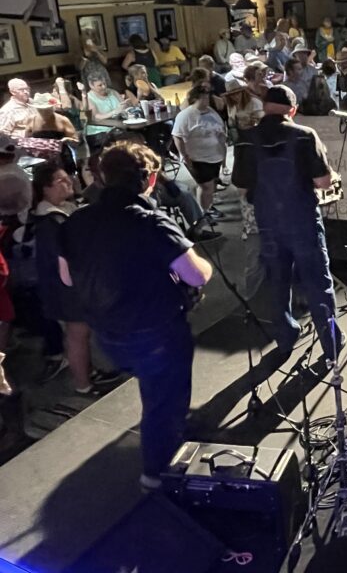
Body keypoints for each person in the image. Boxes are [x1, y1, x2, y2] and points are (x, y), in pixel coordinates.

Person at [58, 142, 212, 488]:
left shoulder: (76, 220)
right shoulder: (151, 222)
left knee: (156, 394)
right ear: (149, 180)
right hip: (155, 332)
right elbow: (196, 275)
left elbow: (67, 278)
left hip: (108, 332)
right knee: (163, 402)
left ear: (101, 177)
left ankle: (170, 434)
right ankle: (157, 475)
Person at [232, 86, 342, 358]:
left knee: (277, 282)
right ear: (292, 111)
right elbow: (323, 181)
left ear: (265, 106)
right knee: (318, 283)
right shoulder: (305, 135)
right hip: (302, 222)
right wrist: (335, 178)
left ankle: (285, 337)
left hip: (268, 222)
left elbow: (243, 187)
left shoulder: (246, 138)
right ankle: (330, 345)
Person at [32, 164, 118, 395]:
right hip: (68, 290)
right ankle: (83, 384)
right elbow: (65, 262)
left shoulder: (62, 212)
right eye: (59, 181)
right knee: (77, 335)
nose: (68, 181)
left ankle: (89, 372)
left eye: (66, 177)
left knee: (81, 333)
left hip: (71, 287)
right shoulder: (51, 222)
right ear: (45, 189)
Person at [172, 84, 226, 213]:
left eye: (207, 97)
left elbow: (220, 129)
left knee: (211, 185)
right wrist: (184, 155)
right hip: (197, 158)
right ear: (195, 98)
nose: (207, 100)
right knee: (206, 186)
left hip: (214, 155)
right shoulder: (186, 115)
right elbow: (177, 136)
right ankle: (204, 212)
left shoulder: (211, 112)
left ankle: (206, 207)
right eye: (204, 97)